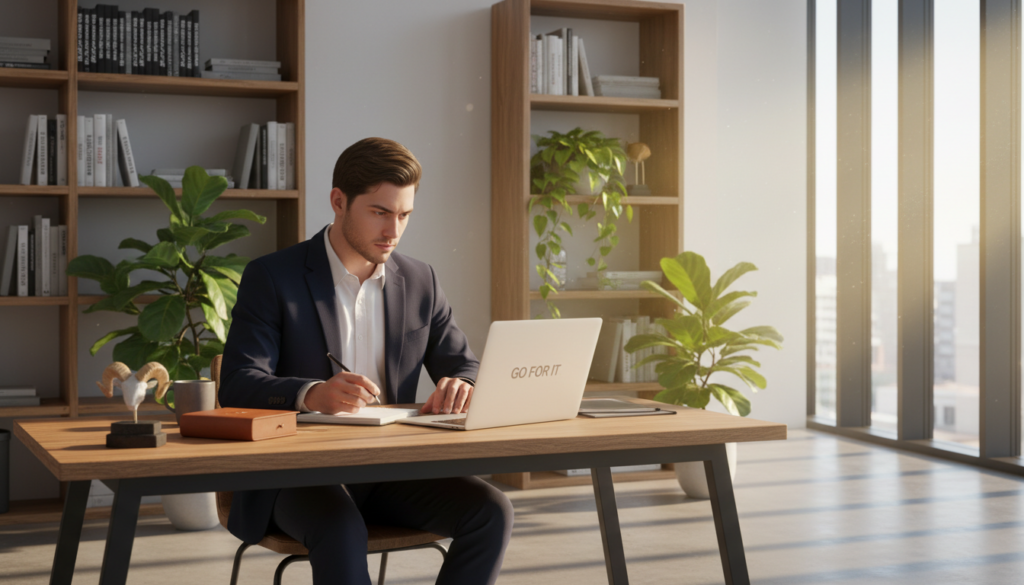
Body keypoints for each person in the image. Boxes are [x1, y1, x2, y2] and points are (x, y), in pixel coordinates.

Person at [219, 137, 514, 585]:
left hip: (387, 470)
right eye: (379, 212)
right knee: (340, 527)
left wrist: (462, 384)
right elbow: (238, 382)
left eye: (404, 215)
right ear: (339, 202)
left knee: (492, 511)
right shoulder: (272, 277)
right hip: (294, 476)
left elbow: (464, 365)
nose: (392, 230)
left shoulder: (420, 281)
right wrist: (312, 394)